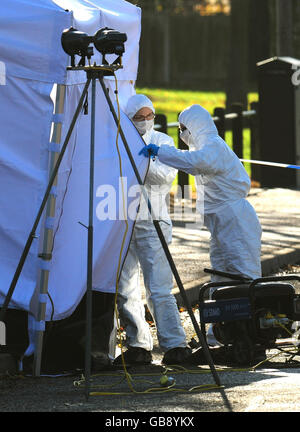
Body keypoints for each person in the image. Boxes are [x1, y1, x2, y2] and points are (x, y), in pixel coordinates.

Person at [139, 104, 262, 345]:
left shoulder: (213, 147)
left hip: (236, 224)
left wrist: (161, 152)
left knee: (243, 277)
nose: (183, 134)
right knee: (221, 279)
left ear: (196, 126)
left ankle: (252, 336)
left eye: (185, 128)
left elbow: (195, 162)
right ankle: (218, 338)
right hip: (221, 226)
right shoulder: (206, 146)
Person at [114, 94, 192, 366]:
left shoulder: (162, 141)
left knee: (158, 287)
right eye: (139, 117)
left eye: (150, 116)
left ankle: (175, 344)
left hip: (153, 221)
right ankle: (138, 346)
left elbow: (165, 176)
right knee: (125, 289)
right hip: (123, 222)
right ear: (128, 118)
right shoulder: (118, 139)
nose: (145, 121)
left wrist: (145, 162)